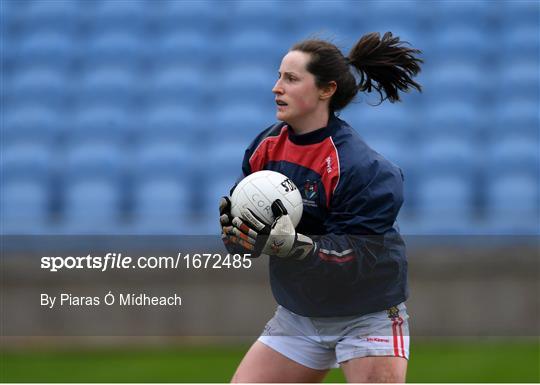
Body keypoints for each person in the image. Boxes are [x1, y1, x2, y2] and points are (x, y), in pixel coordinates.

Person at [219, 32, 422, 383]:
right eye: (279, 76)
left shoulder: (364, 168)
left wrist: (299, 247)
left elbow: (362, 255)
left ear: (326, 90)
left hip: (367, 314)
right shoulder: (265, 148)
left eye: (291, 79)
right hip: (299, 315)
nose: (276, 87)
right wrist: (239, 236)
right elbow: (248, 241)